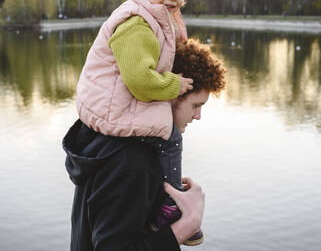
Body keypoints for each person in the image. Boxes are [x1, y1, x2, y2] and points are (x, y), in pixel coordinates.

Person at [75, 0, 199, 244]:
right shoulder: (135, 23)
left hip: (113, 108)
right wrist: (174, 83)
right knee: (170, 140)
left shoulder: (151, 18)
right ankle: (171, 204)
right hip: (114, 106)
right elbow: (142, 82)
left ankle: (166, 199)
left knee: (166, 140)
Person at [64, 39, 227, 250]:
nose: (198, 116)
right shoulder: (133, 162)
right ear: (169, 96)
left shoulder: (112, 139)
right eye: (195, 105)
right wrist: (188, 224)